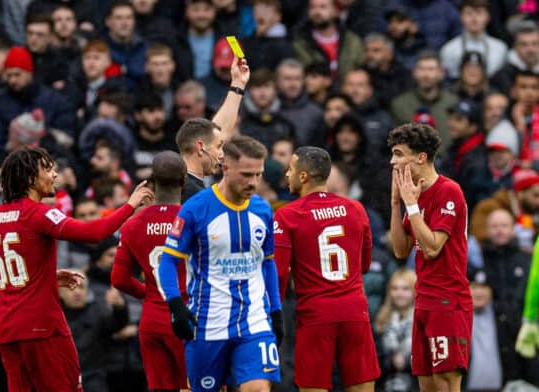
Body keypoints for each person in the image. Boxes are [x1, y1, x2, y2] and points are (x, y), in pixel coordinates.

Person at [0, 147, 153, 391]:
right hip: (42, 328)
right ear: (31, 178)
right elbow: (93, 233)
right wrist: (130, 206)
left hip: (8, 331)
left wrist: (43, 277)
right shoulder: (39, 213)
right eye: (49, 168)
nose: (56, 174)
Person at [158, 135, 284, 392]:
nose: (253, 182)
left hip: (254, 321)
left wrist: (277, 311)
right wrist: (175, 305)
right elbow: (168, 261)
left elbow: (268, 263)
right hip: (207, 324)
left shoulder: (262, 210)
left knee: (258, 388)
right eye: (246, 175)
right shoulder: (195, 208)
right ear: (225, 168)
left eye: (258, 175)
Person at [273, 146, 380, 392]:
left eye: (290, 169)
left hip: (315, 316)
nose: (287, 175)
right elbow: (364, 265)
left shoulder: (287, 215)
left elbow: (279, 273)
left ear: (303, 177)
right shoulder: (356, 209)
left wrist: (274, 314)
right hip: (355, 313)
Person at [388, 122, 473, 392]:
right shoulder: (415, 195)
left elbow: (433, 247)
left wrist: (411, 205)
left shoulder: (449, 191)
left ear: (421, 157)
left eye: (399, 153)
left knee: (446, 383)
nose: (393, 161)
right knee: (427, 385)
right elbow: (401, 251)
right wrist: (396, 203)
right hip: (423, 299)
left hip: (448, 300)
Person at [111, 151, 189, 392]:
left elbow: (119, 279)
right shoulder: (194, 220)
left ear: (152, 182)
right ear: (184, 181)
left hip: (152, 320)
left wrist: (149, 294)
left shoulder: (133, 224)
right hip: (189, 319)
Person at [176, 55, 249, 203]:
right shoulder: (190, 193)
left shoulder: (182, 181)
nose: (222, 155)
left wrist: (238, 84)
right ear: (200, 148)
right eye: (219, 147)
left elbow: (218, 131)